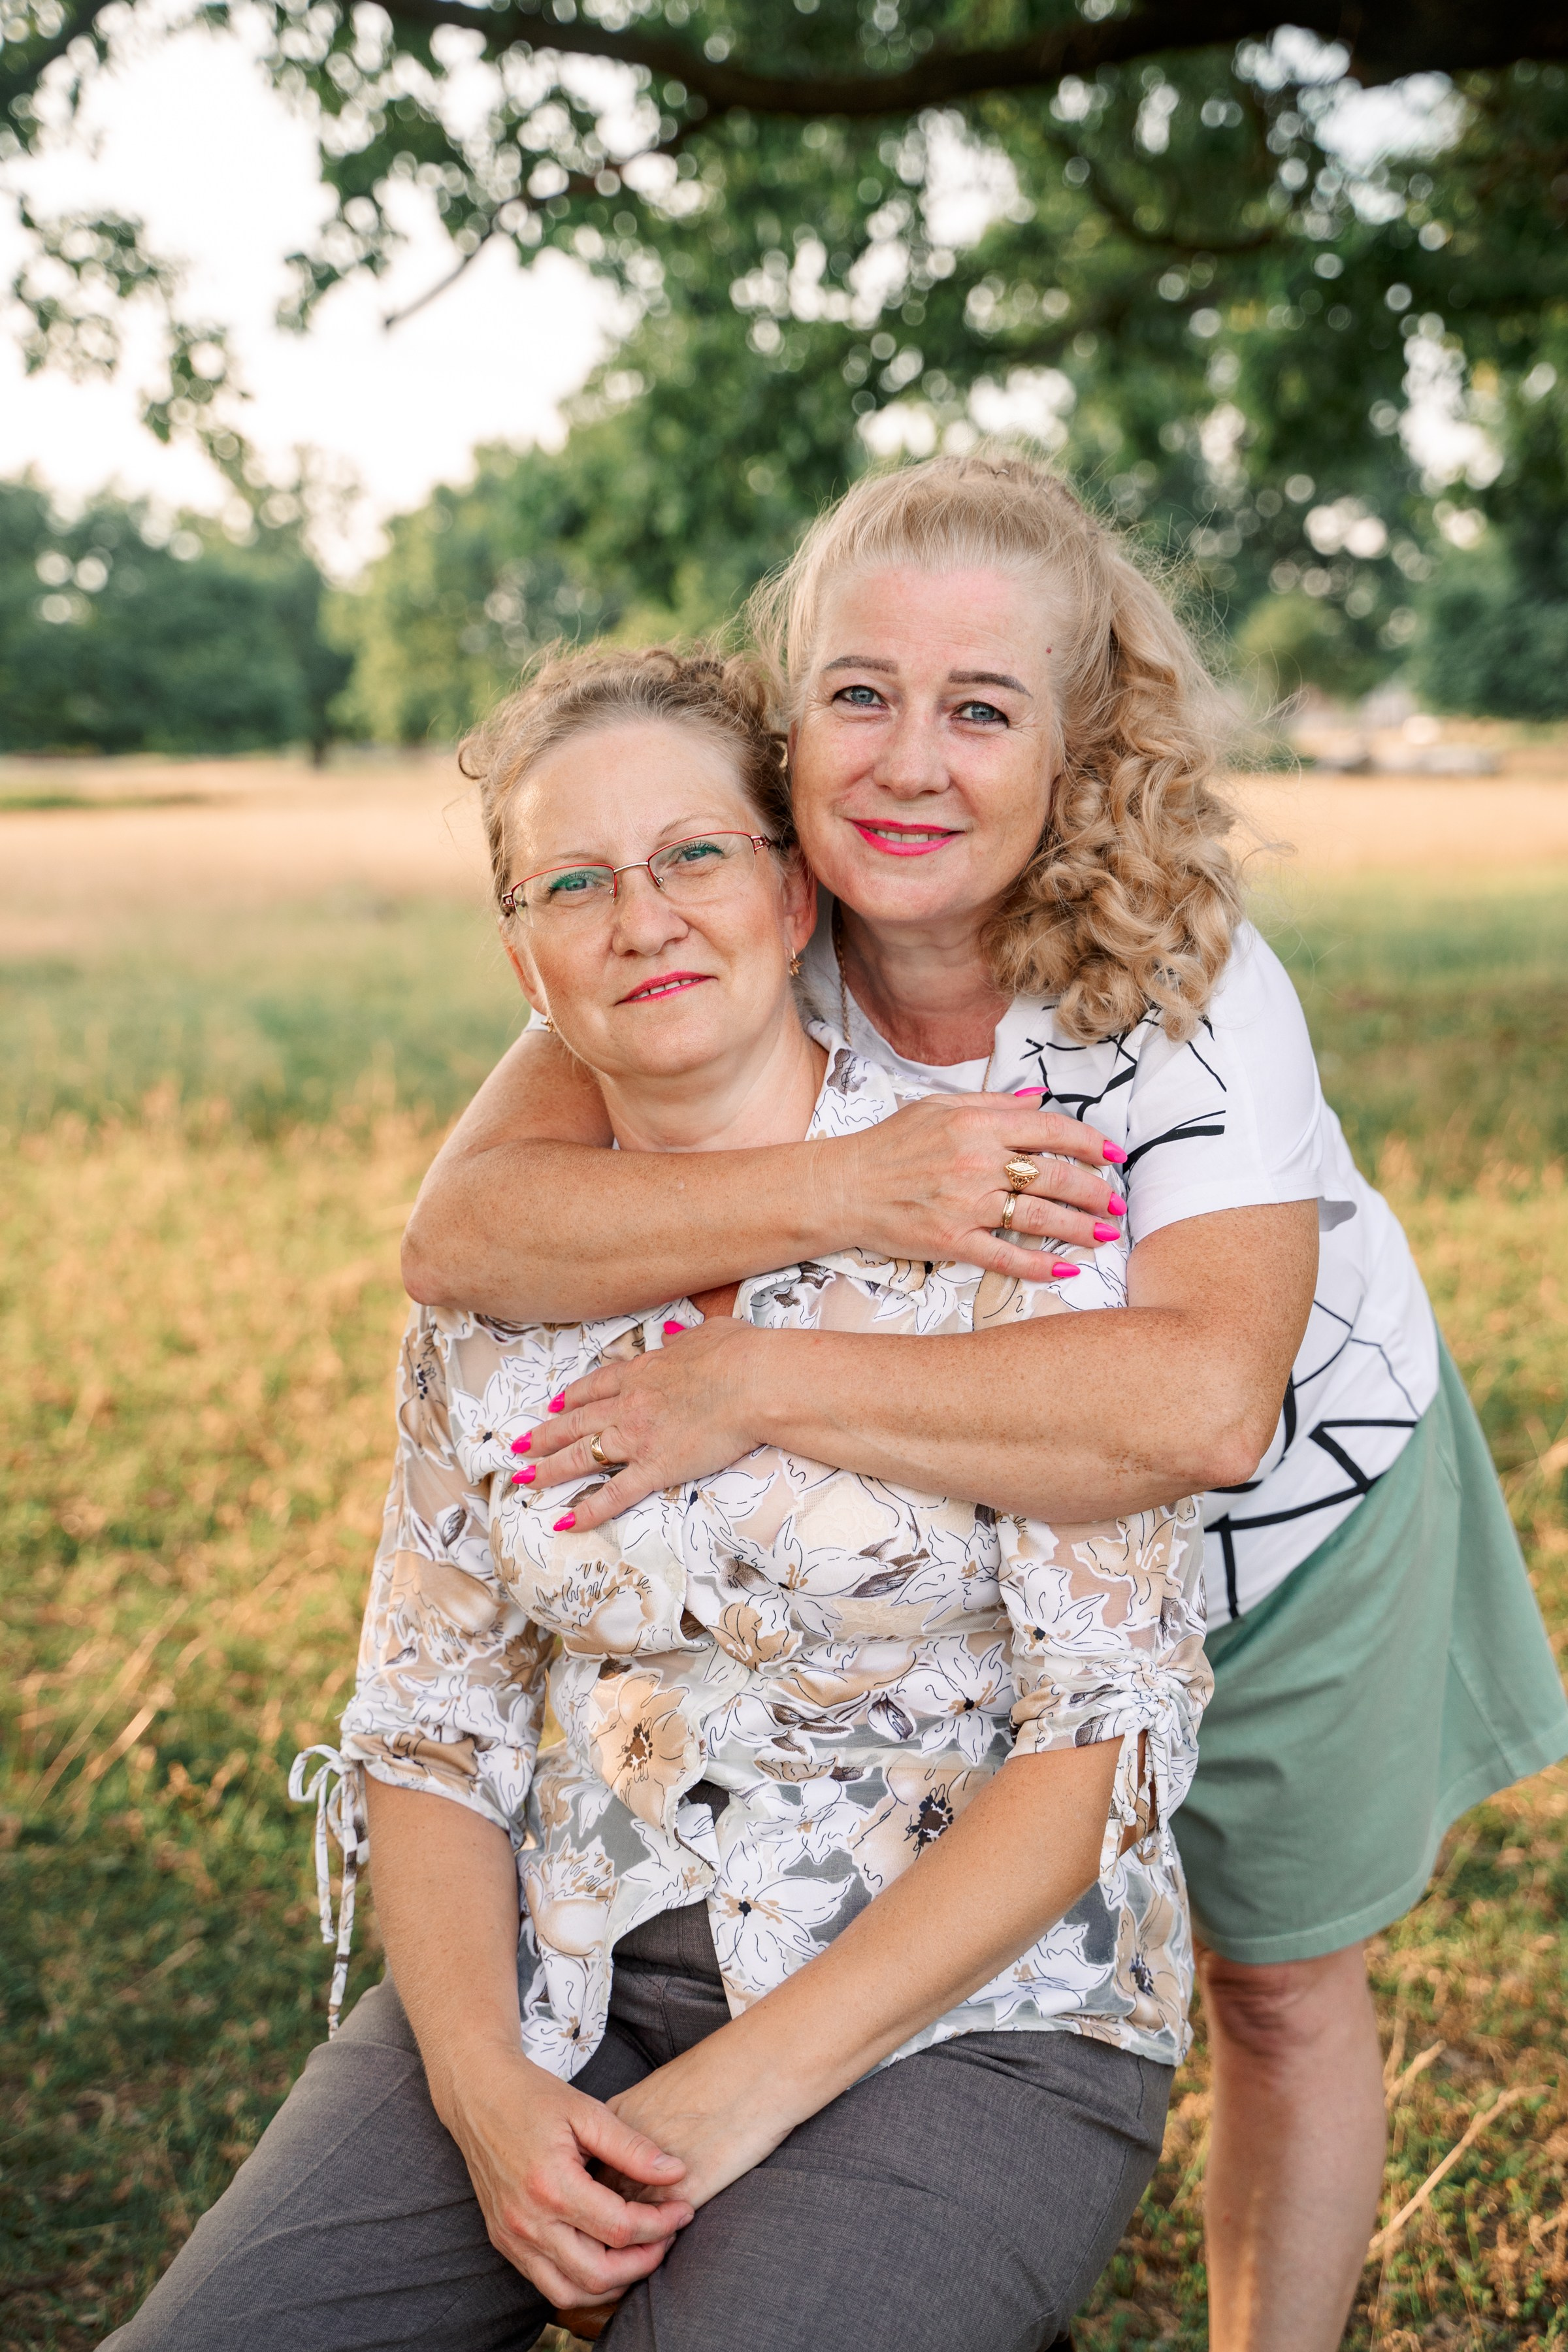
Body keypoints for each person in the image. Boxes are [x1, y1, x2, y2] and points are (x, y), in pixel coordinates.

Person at [398, 451, 1568, 2352]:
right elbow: (466, 1234)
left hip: (1289, 1520)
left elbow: (1203, 1407)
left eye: (982, 709)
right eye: (860, 695)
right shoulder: (731, 913)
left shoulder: (1187, 982)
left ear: (1077, 740)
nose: (909, 763)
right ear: (789, 729)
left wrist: (756, 1376)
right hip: (979, 1540)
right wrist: (853, 1189)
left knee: (1279, 1986)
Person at [104, 644, 1210, 2352]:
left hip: (970, 2009)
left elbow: (1107, 1731)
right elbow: (428, 1719)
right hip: (565, 1965)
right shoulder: (500, 1277)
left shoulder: (999, 1203)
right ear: (523, 961)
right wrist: (480, 2087)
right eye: (574, 883)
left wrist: (728, 2101)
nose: (643, 919)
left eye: (696, 855)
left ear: (792, 899)